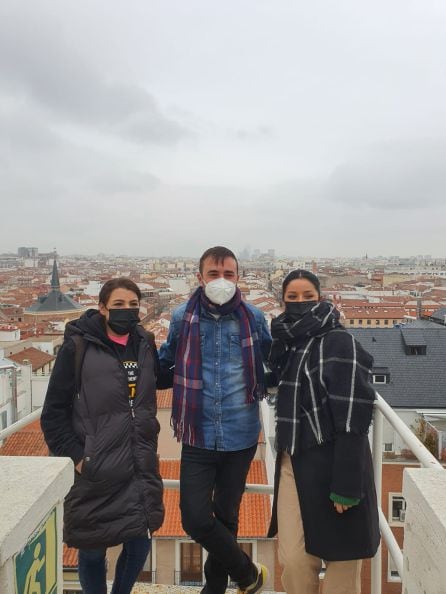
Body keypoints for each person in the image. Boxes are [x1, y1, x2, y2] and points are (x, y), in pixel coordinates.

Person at [41, 277, 164, 594]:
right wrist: (80, 458)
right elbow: (53, 411)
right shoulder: (78, 346)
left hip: (138, 460)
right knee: (92, 548)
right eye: (119, 305)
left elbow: (162, 378)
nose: (127, 310)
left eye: (133, 305)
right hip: (97, 465)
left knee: (140, 540)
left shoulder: (145, 342)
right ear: (102, 308)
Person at [159, 246, 271, 594]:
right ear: (200, 277)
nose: (221, 281)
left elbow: (269, 363)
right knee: (194, 517)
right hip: (198, 430)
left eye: (228, 274)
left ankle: (215, 588)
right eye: (213, 274)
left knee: (226, 516)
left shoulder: (254, 317)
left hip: (241, 431)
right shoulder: (182, 317)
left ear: (238, 277)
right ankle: (248, 572)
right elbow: (164, 364)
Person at [267, 270, 380, 594]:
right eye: (292, 298)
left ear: (320, 299)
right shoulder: (287, 343)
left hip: (335, 459)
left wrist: (347, 484)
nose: (300, 303)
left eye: (307, 297)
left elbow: (353, 414)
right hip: (293, 458)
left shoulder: (340, 342)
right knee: (294, 560)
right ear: (283, 302)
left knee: (343, 564)